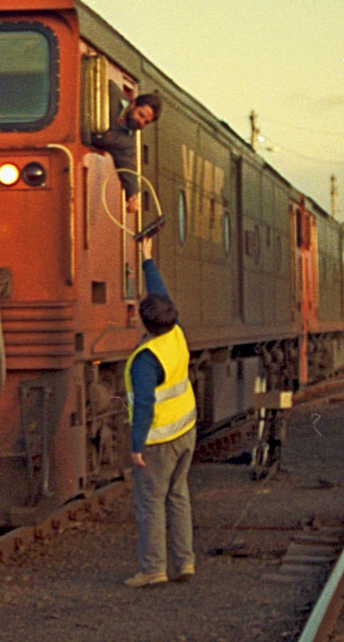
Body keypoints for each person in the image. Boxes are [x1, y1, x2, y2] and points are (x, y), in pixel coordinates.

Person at [123, 234, 197, 587]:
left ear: (143, 321)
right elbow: (161, 294)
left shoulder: (145, 360)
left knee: (150, 502)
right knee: (178, 496)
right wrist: (149, 260)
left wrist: (136, 446)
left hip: (158, 439)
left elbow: (144, 408)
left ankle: (153, 569)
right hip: (186, 432)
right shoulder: (176, 333)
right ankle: (185, 563)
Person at [91, 84, 161, 214]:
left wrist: (133, 195)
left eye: (146, 122)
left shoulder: (127, 142)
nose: (141, 122)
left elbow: (127, 167)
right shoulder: (110, 92)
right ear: (133, 104)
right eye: (141, 115)